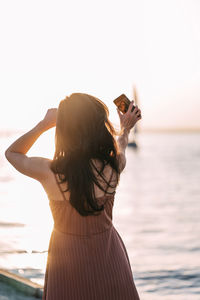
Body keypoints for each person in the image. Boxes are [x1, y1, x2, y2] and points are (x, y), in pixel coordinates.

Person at [5, 93, 142, 300]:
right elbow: (121, 145)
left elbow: (13, 153)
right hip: (110, 258)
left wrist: (44, 124)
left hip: (66, 265)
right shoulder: (113, 166)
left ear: (65, 131)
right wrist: (126, 128)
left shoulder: (49, 171)